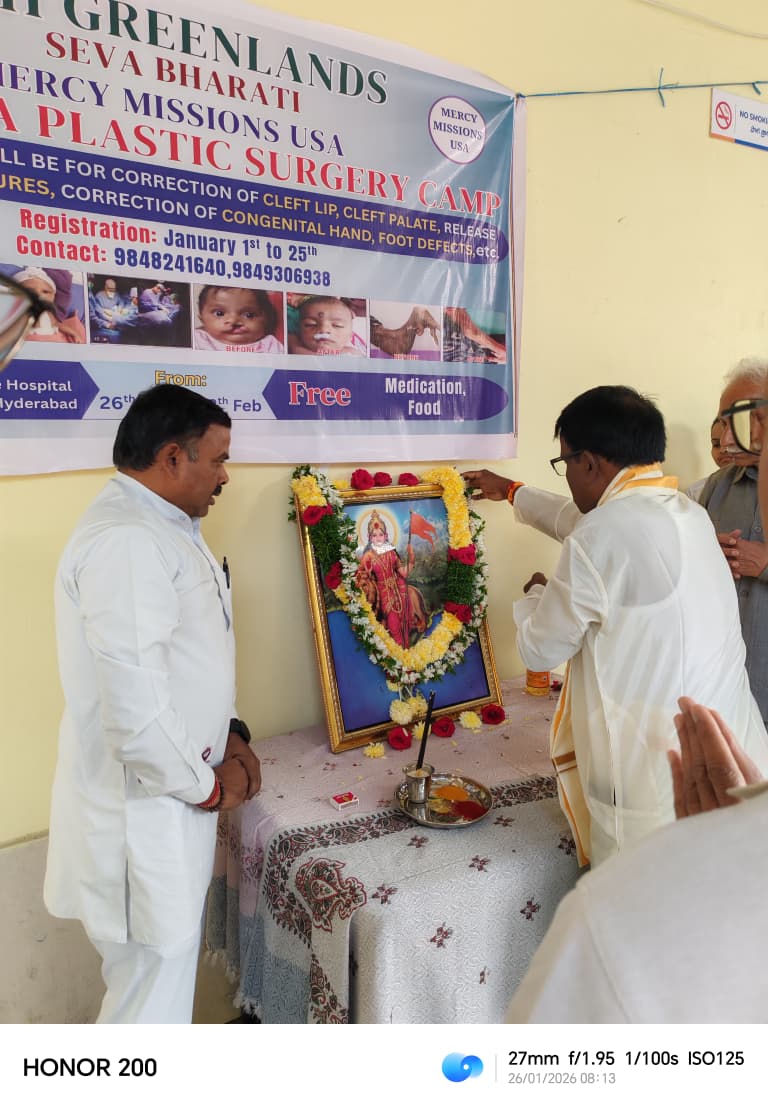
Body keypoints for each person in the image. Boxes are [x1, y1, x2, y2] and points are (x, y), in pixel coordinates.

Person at [463, 385, 768, 867]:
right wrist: (514, 492)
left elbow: (539, 650)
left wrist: (538, 595)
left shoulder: (600, 535)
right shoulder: (690, 512)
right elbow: (583, 521)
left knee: (646, 909)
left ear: (589, 463)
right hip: (739, 767)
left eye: (563, 463)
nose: (566, 476)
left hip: (658, 792)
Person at [44, 383, 261, 1024]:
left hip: (170, 800)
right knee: (147, 1014)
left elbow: (192, 656)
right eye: (218, 460)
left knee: (155, 1001)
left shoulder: (164, 526)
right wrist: (210, 788)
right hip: (144, 819)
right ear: (172, 457)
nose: (225, 477)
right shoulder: (129, 542)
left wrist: (233, 730)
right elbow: (136, 714)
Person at [699, 359, 768, 726]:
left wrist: (764, 564)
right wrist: (703, 556)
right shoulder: (717, 485)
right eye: (723, 424)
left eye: (736, 422)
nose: (726, 441)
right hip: (723, 692)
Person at [355, 510, 428, 648]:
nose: (378, 538)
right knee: (393, 625)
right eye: (374, 535)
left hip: (398, 589)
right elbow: (360, 576)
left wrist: (412, 559)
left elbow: (403, 573)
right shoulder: (368, 556)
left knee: (405, 620)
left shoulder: (392, 553)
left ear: (386, 536)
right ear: (370, 537)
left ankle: (406, 651)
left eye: (381, 535)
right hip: (382, 593)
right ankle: (398, 653)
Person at [194, 286, 283, 353]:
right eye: (219, 313)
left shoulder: (269, 344)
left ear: (265, 319)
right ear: (202, 319)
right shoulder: (198, 339)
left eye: (249, 315)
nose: (233, 321)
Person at [13, 266, 85, 343]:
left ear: (53, 297)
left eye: (45, 292)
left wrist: (73, 333)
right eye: (29, 291)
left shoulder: (49, 313)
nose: (38, 295)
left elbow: (57, 325)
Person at [289, 295, 363, 355]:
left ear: (350, 336)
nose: (323, 330)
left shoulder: (357, 353)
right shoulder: (295, 347)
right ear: (299, 331)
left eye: (337, 325)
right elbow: (295, 349)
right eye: (311, 324)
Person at [684, 416, 728, 501]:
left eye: (730, 443)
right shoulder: (696, 492)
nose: (723, 450)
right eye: (716, 444)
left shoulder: (755, 488)